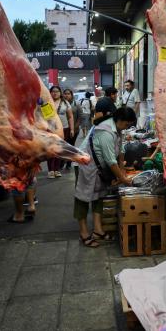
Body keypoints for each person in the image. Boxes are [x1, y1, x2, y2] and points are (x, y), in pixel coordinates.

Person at [75, 107, 136, 248]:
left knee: (99, 197)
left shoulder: (117, 129)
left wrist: (122, 171)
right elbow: (110, 161)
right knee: (82, 199)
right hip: (85, 166)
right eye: (127, 124)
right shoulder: (106, 132)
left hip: (98, 168)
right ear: (120, 120)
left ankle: (98, 230)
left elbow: (120, 152)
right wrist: (123, 179)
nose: (127, 127)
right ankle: (83, 233)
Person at [47, 85, 74, 179]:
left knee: (60, 149)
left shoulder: (65, 103)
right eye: (53, 91)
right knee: (51, 150)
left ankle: (57, 169)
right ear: (50, 93)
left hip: (64, 129)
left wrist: (72, 129)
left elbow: (70, 117)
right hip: (50, 129)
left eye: (57, 91)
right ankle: (50, 170)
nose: (55, 93)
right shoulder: (47, 102)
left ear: (60, 93)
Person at [63, 88, 80, 170]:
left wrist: (75, 126)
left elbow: (80, 116)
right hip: (63, 129)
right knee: (63, 146)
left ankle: (69, 163)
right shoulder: (61, 104)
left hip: (74, 129)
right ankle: (62, 162)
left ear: (71, 95)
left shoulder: (76, 104)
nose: (66, 95)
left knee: (71, 146)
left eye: (68, 94)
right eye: (65, 94)